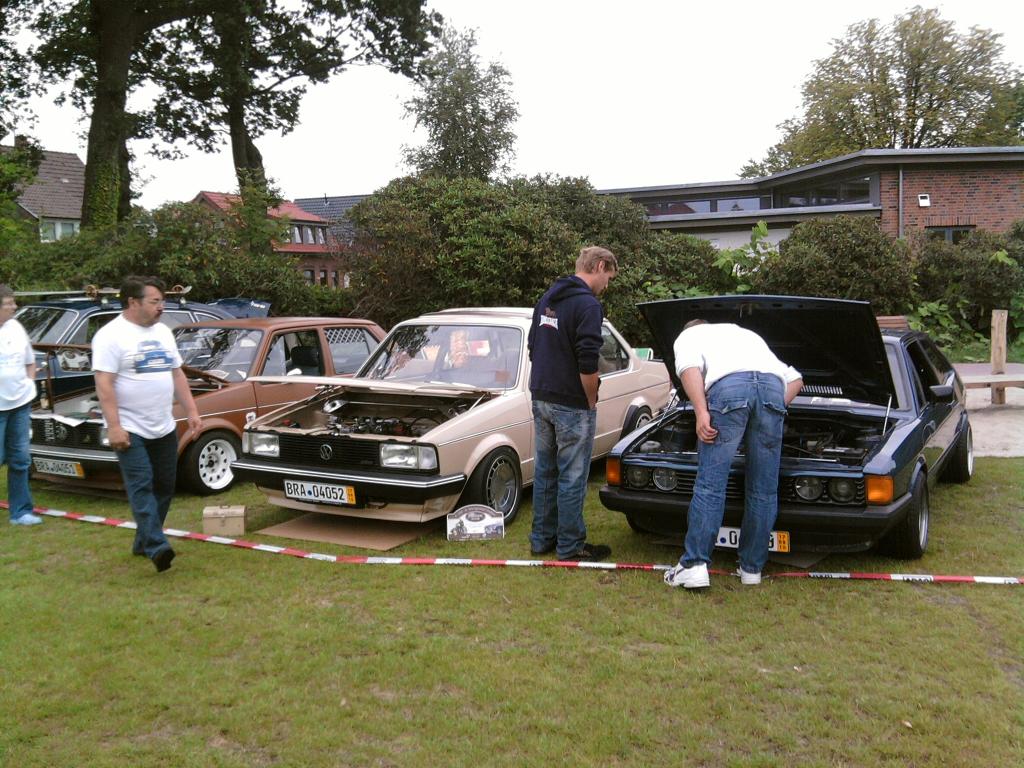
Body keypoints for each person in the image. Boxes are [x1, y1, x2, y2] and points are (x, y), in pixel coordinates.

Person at [664, 319, 803, 590]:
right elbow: (796, 379)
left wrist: (701, 412)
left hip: (729, 390)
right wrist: (772, 407)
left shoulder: (689, 335)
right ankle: (752, 569)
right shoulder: (745, 334)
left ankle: (694, 566)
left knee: (711, 485)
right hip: (772, 389)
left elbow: (689, 368)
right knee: (764, 490)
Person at [92, 276, 202, 572]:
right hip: (130, 427)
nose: (161, 307)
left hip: (163, 425)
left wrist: (192, 412)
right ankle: (157, 546)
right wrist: (114, 426)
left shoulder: (163, 332)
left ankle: (143, 542)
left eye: (161, 301)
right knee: (141, 485)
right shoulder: (110, 335)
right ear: (133, 302)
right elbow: (104, 384)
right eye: (155, 301)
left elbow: (177, 373)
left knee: (164, 486)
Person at [527, 246, 617, 562]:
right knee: (572, 476)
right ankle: (570, 546)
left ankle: (541, 540)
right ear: (600, 266)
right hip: (571, 403)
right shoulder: (588, 305)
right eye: (609, 278)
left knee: (546, 471)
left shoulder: (547, 299)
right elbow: (588, 361)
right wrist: (590, 400)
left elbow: (533, 347)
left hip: (541, 396)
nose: (607, 285)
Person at [1, 285, 42, 526]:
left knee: (20, 459)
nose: (15, 307)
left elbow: (30, 361)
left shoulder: (16, 327)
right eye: (9, 303)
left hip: (20, 405)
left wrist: (29, 384)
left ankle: (21, 512)